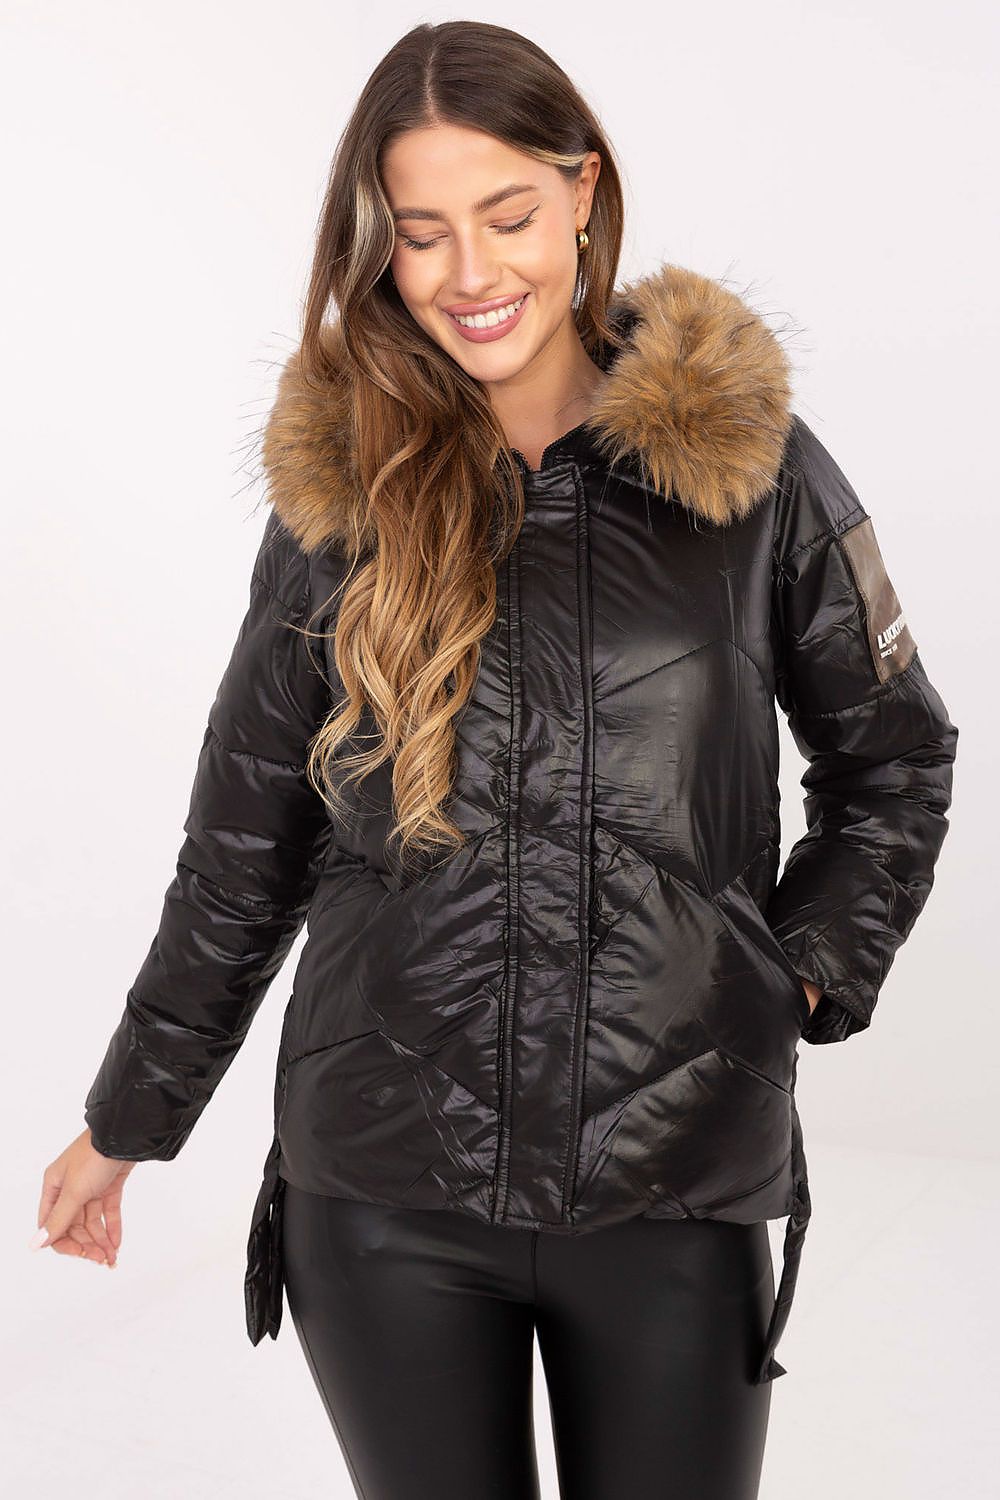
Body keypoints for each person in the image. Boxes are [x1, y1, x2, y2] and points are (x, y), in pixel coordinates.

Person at [32, 20, 959, 1500]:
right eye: (422, 234)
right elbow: (244, 848)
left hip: (677, 1174)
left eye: (508, 213)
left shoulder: (749, 470)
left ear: (583, 192)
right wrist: (126, 1122)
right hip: (382, 1187)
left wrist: (783, 982)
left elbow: (895, 760)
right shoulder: (346, 493)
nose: (469, 272)